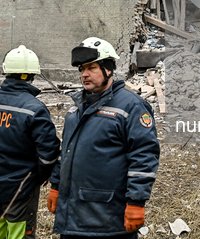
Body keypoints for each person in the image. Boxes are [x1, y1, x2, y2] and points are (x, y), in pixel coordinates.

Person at [47, 37, 160, 239]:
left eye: (91, 68)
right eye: (82, 69)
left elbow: (144, 155)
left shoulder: (131, 107)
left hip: (108, 220)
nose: (84, 74)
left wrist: (136, 202)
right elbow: (67, 150)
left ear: (108, 69)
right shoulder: (76, 108)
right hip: (72, 218)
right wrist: (56, 186)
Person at [0, 45, 60, 239]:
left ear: (6, 72)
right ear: (32, 76)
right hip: (21, 192)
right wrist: (38, 177)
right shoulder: (34, 109)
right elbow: (49, 154)